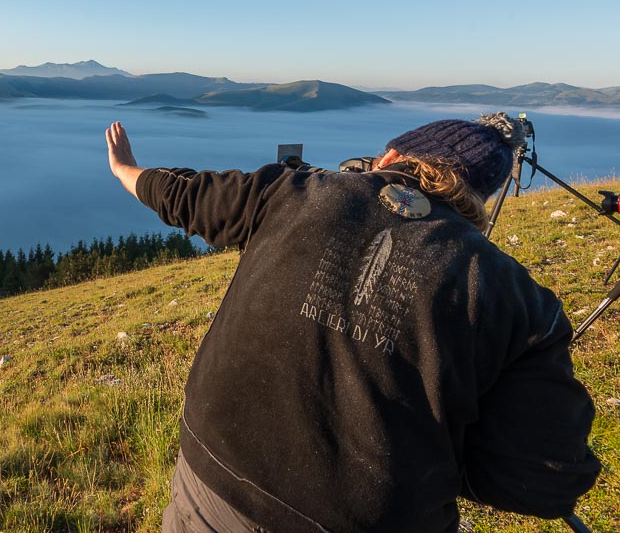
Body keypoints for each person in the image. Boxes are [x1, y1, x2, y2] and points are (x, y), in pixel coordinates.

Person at [104, 115, 600, 533]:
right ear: (477, 201)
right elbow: (546, 478)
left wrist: (126, 169)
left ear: (388, 159)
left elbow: (189, 196)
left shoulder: (290, 192)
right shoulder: (515, 296)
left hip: (211, 488)